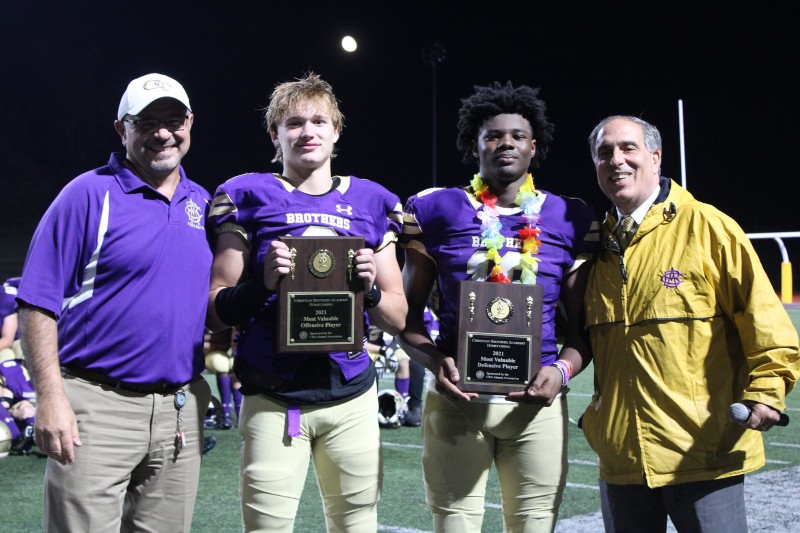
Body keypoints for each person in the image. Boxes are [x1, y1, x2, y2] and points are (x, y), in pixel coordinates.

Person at [206, 72, 407, 532]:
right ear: (275, 134)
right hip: (274, 396)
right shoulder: (247, 195)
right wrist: (262, 284)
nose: (307, 131)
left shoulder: (372, 201)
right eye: (293, 122)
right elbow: (214, 306)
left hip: (351, 398)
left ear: (337, 131)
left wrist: (369, 289)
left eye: (319, 121)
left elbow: (395, 316)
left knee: (357, 525)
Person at [580, 115, 800, 532]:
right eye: (604, 152)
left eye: (628, 148)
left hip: (702, 455)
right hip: (623, 458)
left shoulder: (709, 227)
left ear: (656, 157)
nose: (616, 160)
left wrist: (768, 392)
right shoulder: (593, 247)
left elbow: (765, 322)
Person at [16, 73, 212, 532]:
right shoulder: (86, 194)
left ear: (190, 124)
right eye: (146, 122)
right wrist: (50, 397)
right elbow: (37, 302)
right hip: (96, 407)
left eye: (173, 119)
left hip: (179, 410)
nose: (162, 133)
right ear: (122, 130)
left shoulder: (204, 204)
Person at [399, 81, 598, 532]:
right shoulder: (437, 209)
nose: (505, 143)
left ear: (535, 147)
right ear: (475, 144)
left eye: (517, 136)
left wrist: (562, 372)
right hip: (457, 402)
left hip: (536, 408)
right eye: (493, 135)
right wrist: (435, 362)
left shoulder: (570, 217)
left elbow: (583, 332)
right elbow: (407, 320)